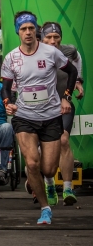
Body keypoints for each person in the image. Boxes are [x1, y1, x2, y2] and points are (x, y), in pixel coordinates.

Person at [1, 12, 78, 225]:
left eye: (31, 28)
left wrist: (66, 97)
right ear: (17, 31)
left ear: (36, 30)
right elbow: (6, 88)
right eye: (23, 29)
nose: (28, 32)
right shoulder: (11, 58)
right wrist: (8, 103)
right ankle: (45, 208)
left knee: (49, 169)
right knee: (32, 163)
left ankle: (43, 181)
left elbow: (72, 72)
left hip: (51, 116)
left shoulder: (51, 52)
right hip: (24, 117)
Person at [41, 21, 84, 205]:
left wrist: (78, 82)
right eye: (48, 37)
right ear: (41, 38)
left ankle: (67, 188)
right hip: (40, 107)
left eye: (56, 37)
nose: (53, 41)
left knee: (64, 140)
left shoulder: (69, 51)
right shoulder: (34, 52)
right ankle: (49, 184)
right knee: (43, 146)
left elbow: (76, 66)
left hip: (63, 103)